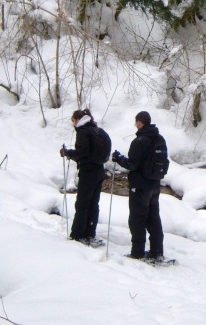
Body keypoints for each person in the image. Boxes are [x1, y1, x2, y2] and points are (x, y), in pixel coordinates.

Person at [111, 111, 166, 260]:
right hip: (155, 185)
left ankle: (137, 252)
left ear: (140, 122)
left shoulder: (139, 141)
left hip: (140, 187)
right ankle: (157, 252)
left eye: (136, 122)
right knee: (153, 218)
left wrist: (119, 158)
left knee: (137, 219)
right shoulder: (159, 138)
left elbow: (132, 165)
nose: (136, 125)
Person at [60, 108, 112, 245]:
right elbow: (90, 152)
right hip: (99, 170)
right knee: (93, 203)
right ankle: (90, 233)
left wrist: (67, 152)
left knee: (82, 203)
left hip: (88, 172)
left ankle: (77, 234)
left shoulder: (83, 131)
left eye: (72, 121)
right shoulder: (97, 130)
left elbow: (82, 152)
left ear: (77, 120)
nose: (73, 125)